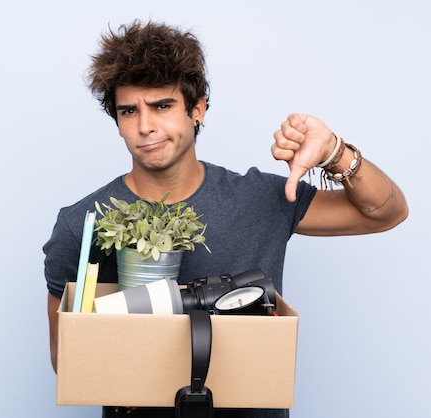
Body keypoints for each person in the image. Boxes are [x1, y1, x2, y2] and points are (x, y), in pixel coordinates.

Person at [43, 20, 408, 418]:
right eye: (129, 111)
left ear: (197, 109)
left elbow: (386, 213)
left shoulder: (260, 199)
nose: (145, 126)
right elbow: (66, 358)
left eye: (162, 106)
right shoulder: (84, 223)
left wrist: (335, 152)